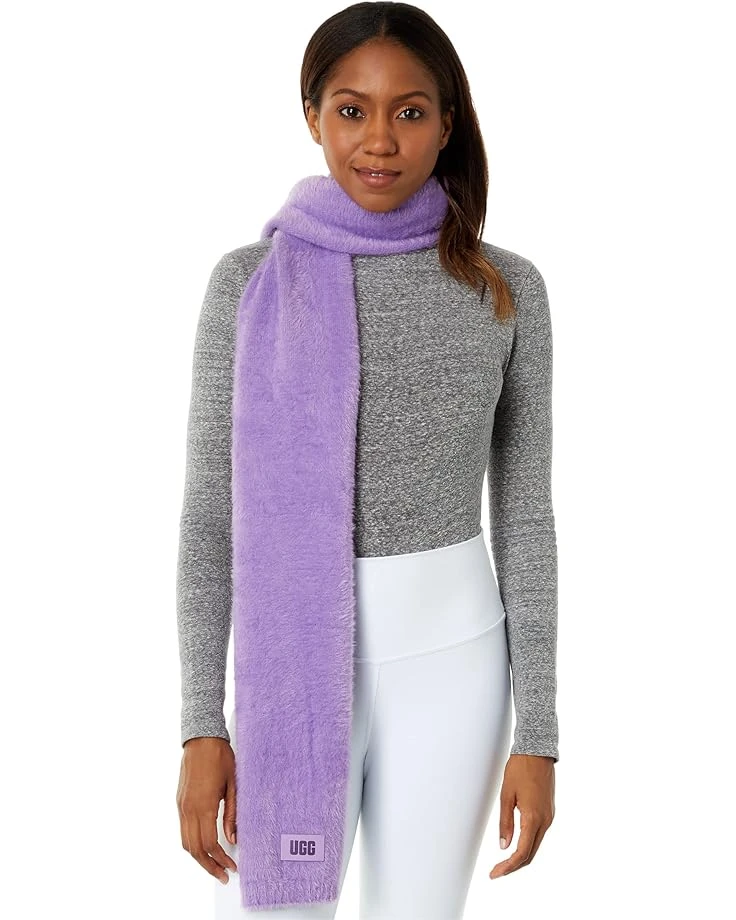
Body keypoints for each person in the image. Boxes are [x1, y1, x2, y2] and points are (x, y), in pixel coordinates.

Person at [175, 3, 559, 917]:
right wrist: (199, 724)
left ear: (447, 123)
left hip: (456, 666)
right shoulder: (246, 285)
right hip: (290, 673)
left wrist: (540, 731)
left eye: (410, 112)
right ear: (312, 115)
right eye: (352, 110)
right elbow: (210, 517)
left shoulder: (506, 289)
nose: (379, 140)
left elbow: (526, 515)